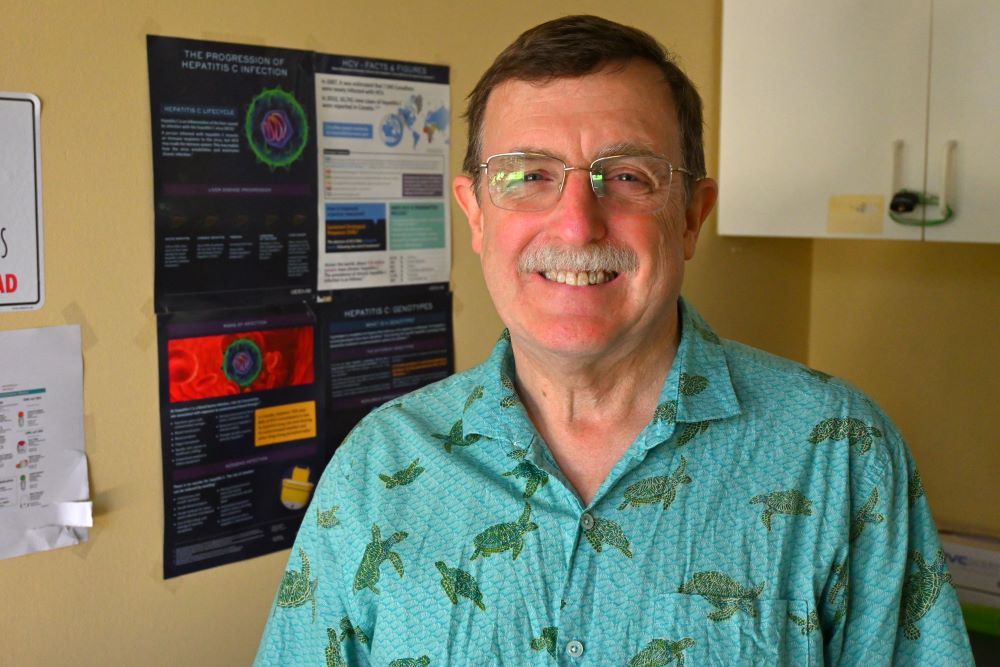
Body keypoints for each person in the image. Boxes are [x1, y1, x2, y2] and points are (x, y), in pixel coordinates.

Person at [256, 15, 973, 665]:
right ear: (475, 215)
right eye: (528, 175)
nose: (576, 224)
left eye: (627, 176)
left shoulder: (841, 453)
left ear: (692, 216)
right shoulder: (377, 470)